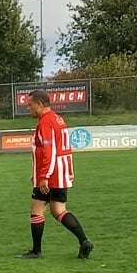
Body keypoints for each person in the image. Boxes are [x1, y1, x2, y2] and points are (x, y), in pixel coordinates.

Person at [20, 90, 94, 260]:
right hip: (60, 172)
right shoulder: (58, 119)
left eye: (30, 105)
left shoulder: (45, 122)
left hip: (50, 174)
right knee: (58, 210)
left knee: (37, 210)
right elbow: (64, 148)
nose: (28, 108)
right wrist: (69, 170)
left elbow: (49, 151)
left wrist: (44, 176)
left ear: (39, 104)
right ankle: (84, 241)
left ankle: (36, 251)